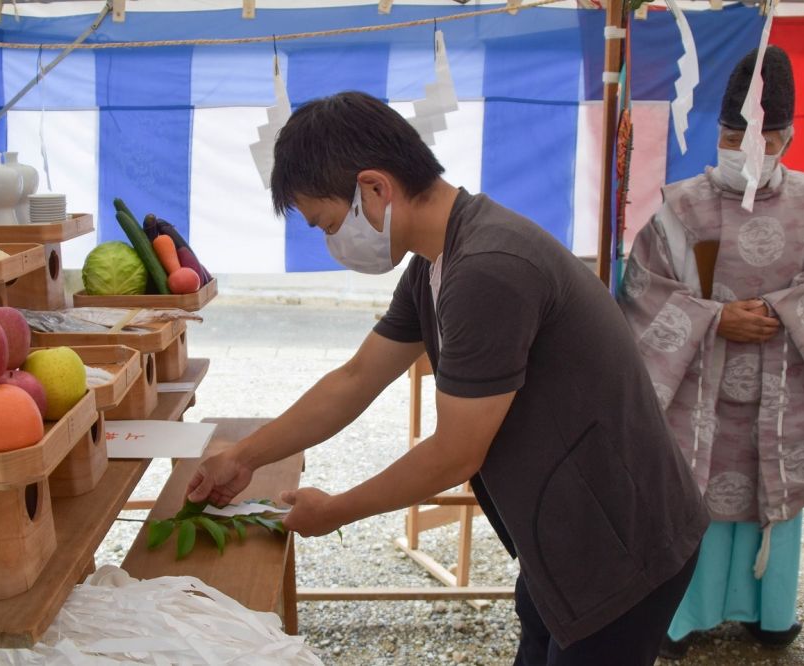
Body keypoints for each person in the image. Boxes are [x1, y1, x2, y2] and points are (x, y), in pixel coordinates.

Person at [186, 91, 708, 666]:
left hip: (621, 542)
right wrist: (244, 457)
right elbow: (356, 378)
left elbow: (455, 453)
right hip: (563, 530)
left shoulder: (487, 269)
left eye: (328, 223)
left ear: (375, 188)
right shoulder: (436, 262)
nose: (330, 241)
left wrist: (336, 510)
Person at [618, 46, 804, 659]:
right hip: (698, 389)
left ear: (789, 137)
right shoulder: (681, 207)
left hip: (784, 387)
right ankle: (683, 617)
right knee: (693, 497)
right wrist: (714, 318)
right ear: (715, 133)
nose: (746, 147)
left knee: (769, 496)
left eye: (764, 136)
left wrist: (781, 312)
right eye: (731, 133)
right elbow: (642, 291)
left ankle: (770, 614)